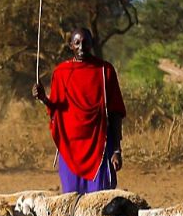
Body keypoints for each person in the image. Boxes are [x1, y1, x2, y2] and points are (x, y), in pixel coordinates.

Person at [31, 27, 126, 193]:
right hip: (70, 147)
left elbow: (115, 112)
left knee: (101, 202)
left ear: (91, 44)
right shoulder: (61, 72)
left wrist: (117, 149)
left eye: (85, 43)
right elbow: (55, 109)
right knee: (71, 202)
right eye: (77, 43)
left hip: (100, 146)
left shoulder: (105, 71)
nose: (81, 47)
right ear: (70, 46)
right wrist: (43, 97)